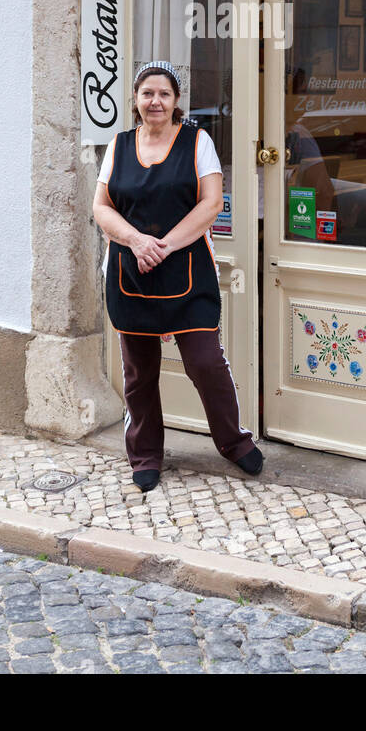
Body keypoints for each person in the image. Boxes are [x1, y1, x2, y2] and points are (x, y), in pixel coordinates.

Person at [92, 59, 264, 492]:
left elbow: (210, 204)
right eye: (147, 93)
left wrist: (163, 246)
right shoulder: (118, 145)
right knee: (139, 370)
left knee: (206, 361)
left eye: (164, 94)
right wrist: (135, 241)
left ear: (176, 101)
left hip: (187, 269)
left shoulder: (197, 141)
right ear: (135, 99)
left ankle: (233, 441)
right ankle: (145, 453)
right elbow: (101, 207)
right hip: (130, 271)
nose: (155, 101)